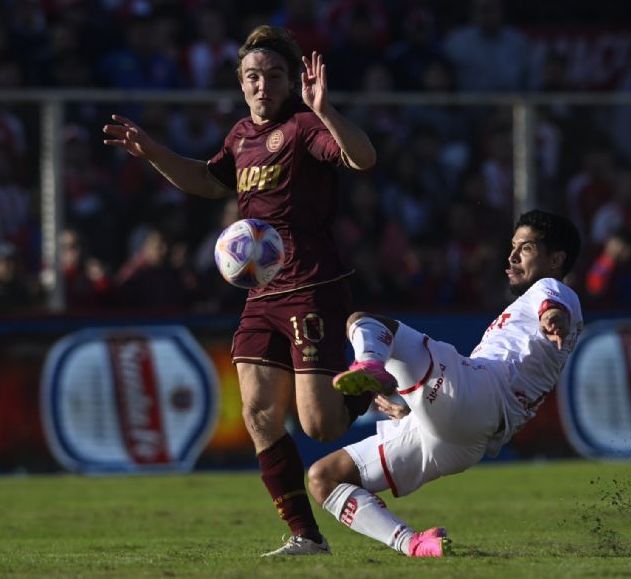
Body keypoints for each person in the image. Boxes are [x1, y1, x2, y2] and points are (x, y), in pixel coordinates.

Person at [102, 25, 377, 556]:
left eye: (274, 76)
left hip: (312, 286)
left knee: (319, 425)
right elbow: (209, 182)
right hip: (261, 292)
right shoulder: (240, 137)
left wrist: (327, 111)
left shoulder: (302, 126)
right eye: (252, 76)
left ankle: (366, 385)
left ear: (292, 81)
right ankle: (305, 535)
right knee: (257, 413)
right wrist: (154, 151)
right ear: (241, 82)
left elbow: (363, 159)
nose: (262, 85)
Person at [306, 209, 583, 557]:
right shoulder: (530, 304)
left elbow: (553, 307)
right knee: (324, 478)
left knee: (367, 322)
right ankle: (413, 544)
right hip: (465, 440)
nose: (511, 257)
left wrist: (552, 318)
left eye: (525, 248)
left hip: (480, 397)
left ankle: (371, 365)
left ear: (556, 259)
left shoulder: (553, 288)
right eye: (512, 246)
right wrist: (414, 412)